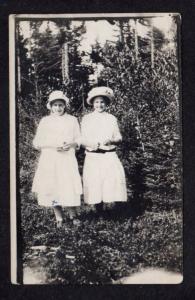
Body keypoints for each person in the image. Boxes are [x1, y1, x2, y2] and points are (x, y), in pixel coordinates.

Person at [32, 90, 82, 228]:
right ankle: (59, 216)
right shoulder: (45, 121)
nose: (58, 108)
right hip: (50, 159)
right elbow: (37, 142)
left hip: (67, 159)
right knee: (53, 187)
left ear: (65, 106)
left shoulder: (72, 120)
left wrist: (72, 144)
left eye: (61, 105)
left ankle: (73, 215)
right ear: (50, 106)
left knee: (68, 185)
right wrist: (53, 146)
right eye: (55, 105)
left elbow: (79, 138)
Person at [81, 86, 127, 210]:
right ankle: (98, 210)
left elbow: (119, 137)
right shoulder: (87, 119)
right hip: (93, 155)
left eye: (102, 102)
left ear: (106, 103)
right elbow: (81, 139)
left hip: (109, 155)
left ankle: (115, 211)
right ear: (92, 103)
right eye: (96, 102)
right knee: (95, 181)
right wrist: (91, 144)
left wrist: (111, 140)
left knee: (112, 179)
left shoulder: (111, 118)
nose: (99, 105)